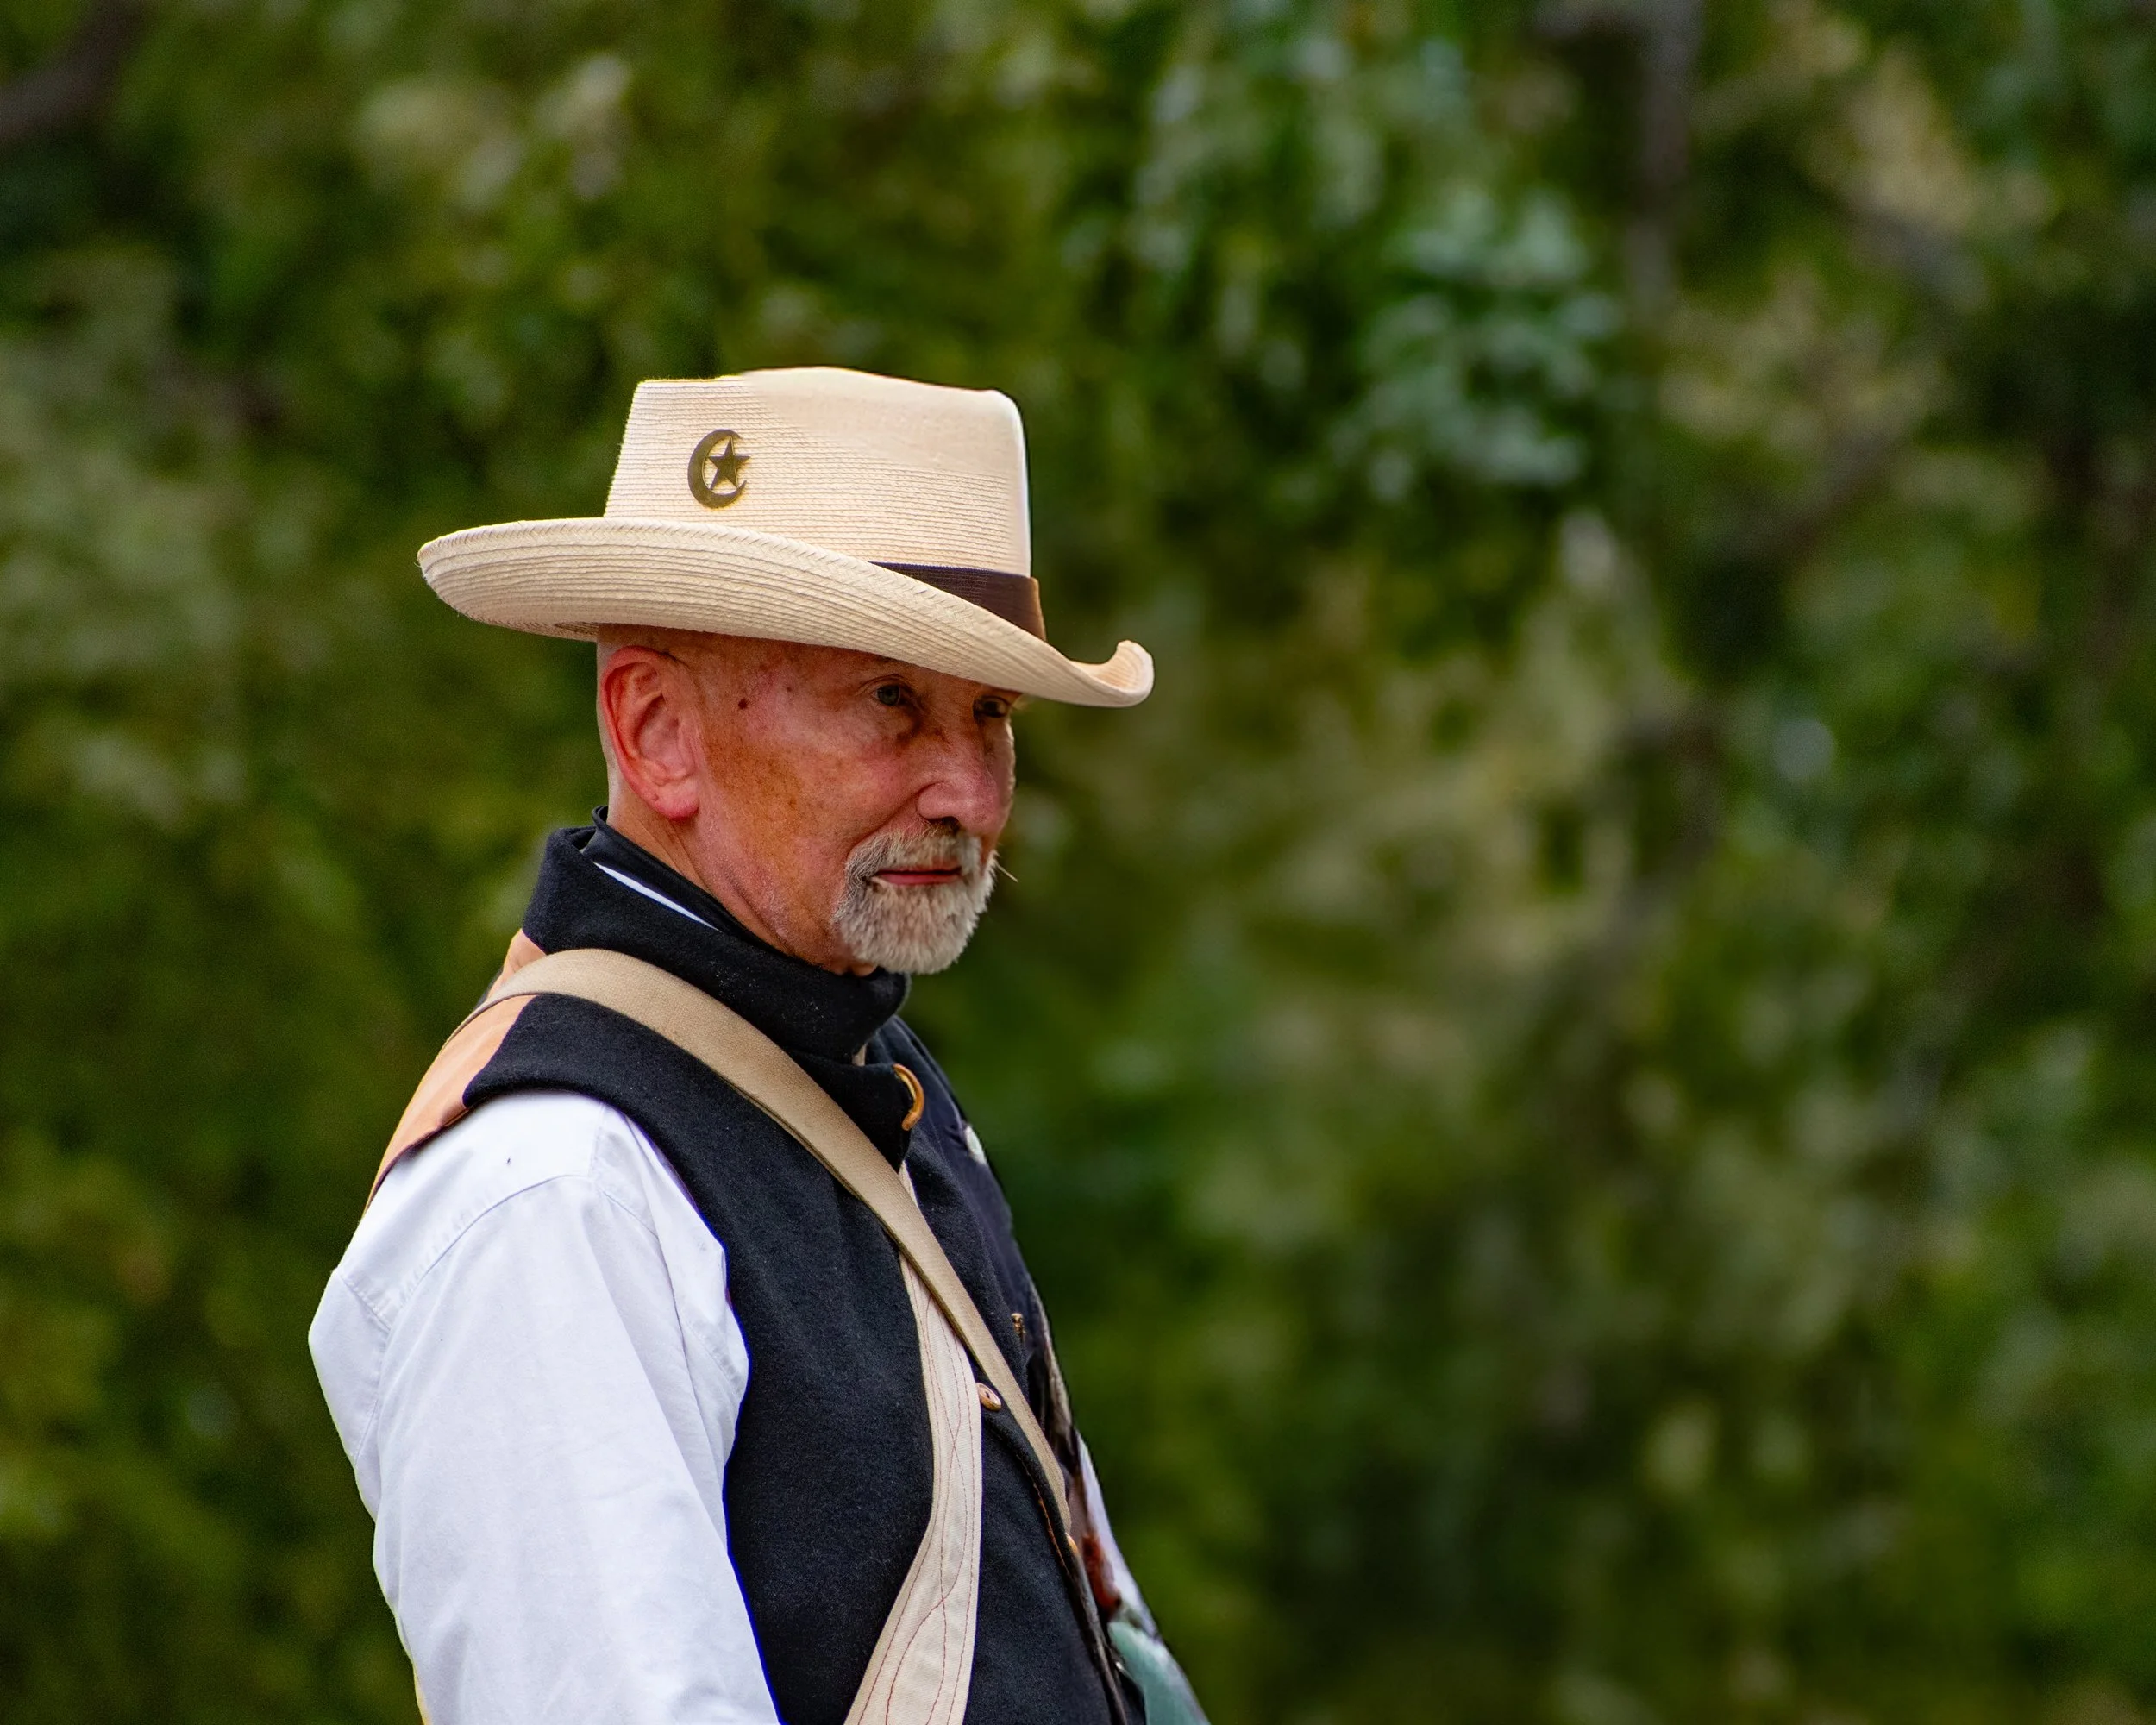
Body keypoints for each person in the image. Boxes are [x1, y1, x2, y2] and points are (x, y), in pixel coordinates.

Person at [309, 367, 1206, 1725]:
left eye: (992, 717)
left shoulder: (872, 1083)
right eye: (893, 703)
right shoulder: (555, 1187)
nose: (966, 792)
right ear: (658, 732)